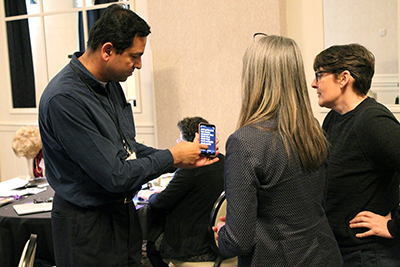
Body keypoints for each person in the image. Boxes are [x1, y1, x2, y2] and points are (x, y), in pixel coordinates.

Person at [38, 4, 218, 267]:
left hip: (122, 219)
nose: (140, 65)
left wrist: (178, 158)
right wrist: (170, 157)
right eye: (134, 56)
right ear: (108, 51)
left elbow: (127, 147)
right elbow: (115, 175)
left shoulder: (110, 85)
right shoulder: (64, 99)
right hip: (87, 229)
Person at [213, 34, 343, 267]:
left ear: (253, 78)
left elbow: (237, 242)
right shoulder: (312, 130)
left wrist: (223, 233)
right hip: (324, 256)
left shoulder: (245, 142)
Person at [311, 43, 400, 266]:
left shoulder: (372, 121)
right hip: (341, 251)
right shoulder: (334, 118)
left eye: (319, 75)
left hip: (369, 256)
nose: (314, 83)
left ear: (343, 78)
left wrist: (394, 225)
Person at [138, 116, 225, 266]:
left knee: (150, 245)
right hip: (218, 244)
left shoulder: (190, 169)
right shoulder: (224, 161)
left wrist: (149, 194)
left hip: (191, 248)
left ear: (186, 144)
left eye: (180, 141)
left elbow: (161, 202)